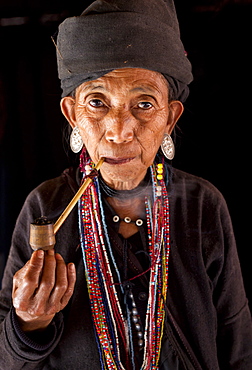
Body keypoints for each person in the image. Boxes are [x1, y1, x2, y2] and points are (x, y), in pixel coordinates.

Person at [0, 0, 252, 369]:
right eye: (98, 102)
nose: (118, 131)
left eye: (145, 104)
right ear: (72, 115)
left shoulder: (202, 205)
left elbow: (238, 346)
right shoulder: (45, 208)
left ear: (170, 118)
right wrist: (29, 323)